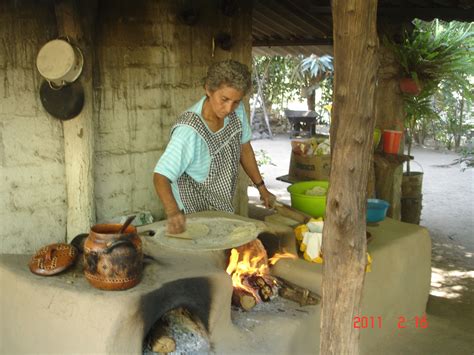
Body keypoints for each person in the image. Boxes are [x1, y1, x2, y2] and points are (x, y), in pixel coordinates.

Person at [153, 59, 275, 234]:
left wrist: (261, 187)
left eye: (236, 102)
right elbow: (161, 176)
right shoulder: (189, 130)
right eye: (224, 99)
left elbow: (244, 149)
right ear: (208, 89)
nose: (229, 108)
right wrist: (173, 212)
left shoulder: (237, 112)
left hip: (221, 206)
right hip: (191, 213)